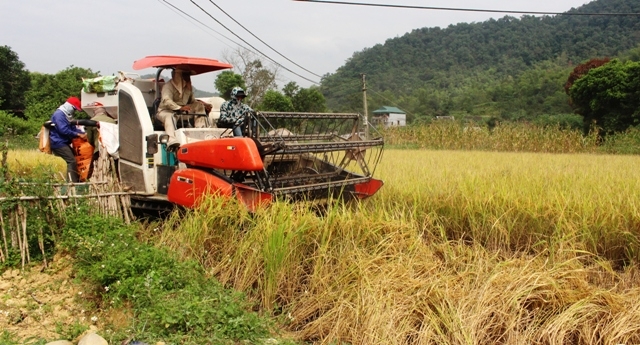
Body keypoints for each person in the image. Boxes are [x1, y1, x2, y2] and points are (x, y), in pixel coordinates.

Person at [156, 68, 212, 149]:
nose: (188, 77)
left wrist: (204, 105)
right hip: (166, 111)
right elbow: (166, 101)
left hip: (182, 113)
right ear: (178, 76)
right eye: (185, 75)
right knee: (169, 117)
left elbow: (192, 101)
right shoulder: (168, 86)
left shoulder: (187, 87)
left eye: (188, 75)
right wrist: (179, 107)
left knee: (199, 106)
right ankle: (171, 140)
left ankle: (201, 131)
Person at [49, 96, 87, 183]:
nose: (74, 111)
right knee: (71, 160)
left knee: (75, 158)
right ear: (70, 106)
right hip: (58, 143)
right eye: (74, 109)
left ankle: (76, 179)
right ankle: (71, 183)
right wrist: (77, 134)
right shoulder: (59, 115)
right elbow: (63, 130)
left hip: (63, 142)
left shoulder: (67, 115)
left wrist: (82, 133)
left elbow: (72, 128)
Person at [86, 106, 118, 180]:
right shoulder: (112, 121)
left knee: (92, 169)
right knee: (114, 169)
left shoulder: (92, 121)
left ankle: (88, 183)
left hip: (98, 149)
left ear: (95, 112)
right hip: (112, 149)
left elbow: (89, 139)